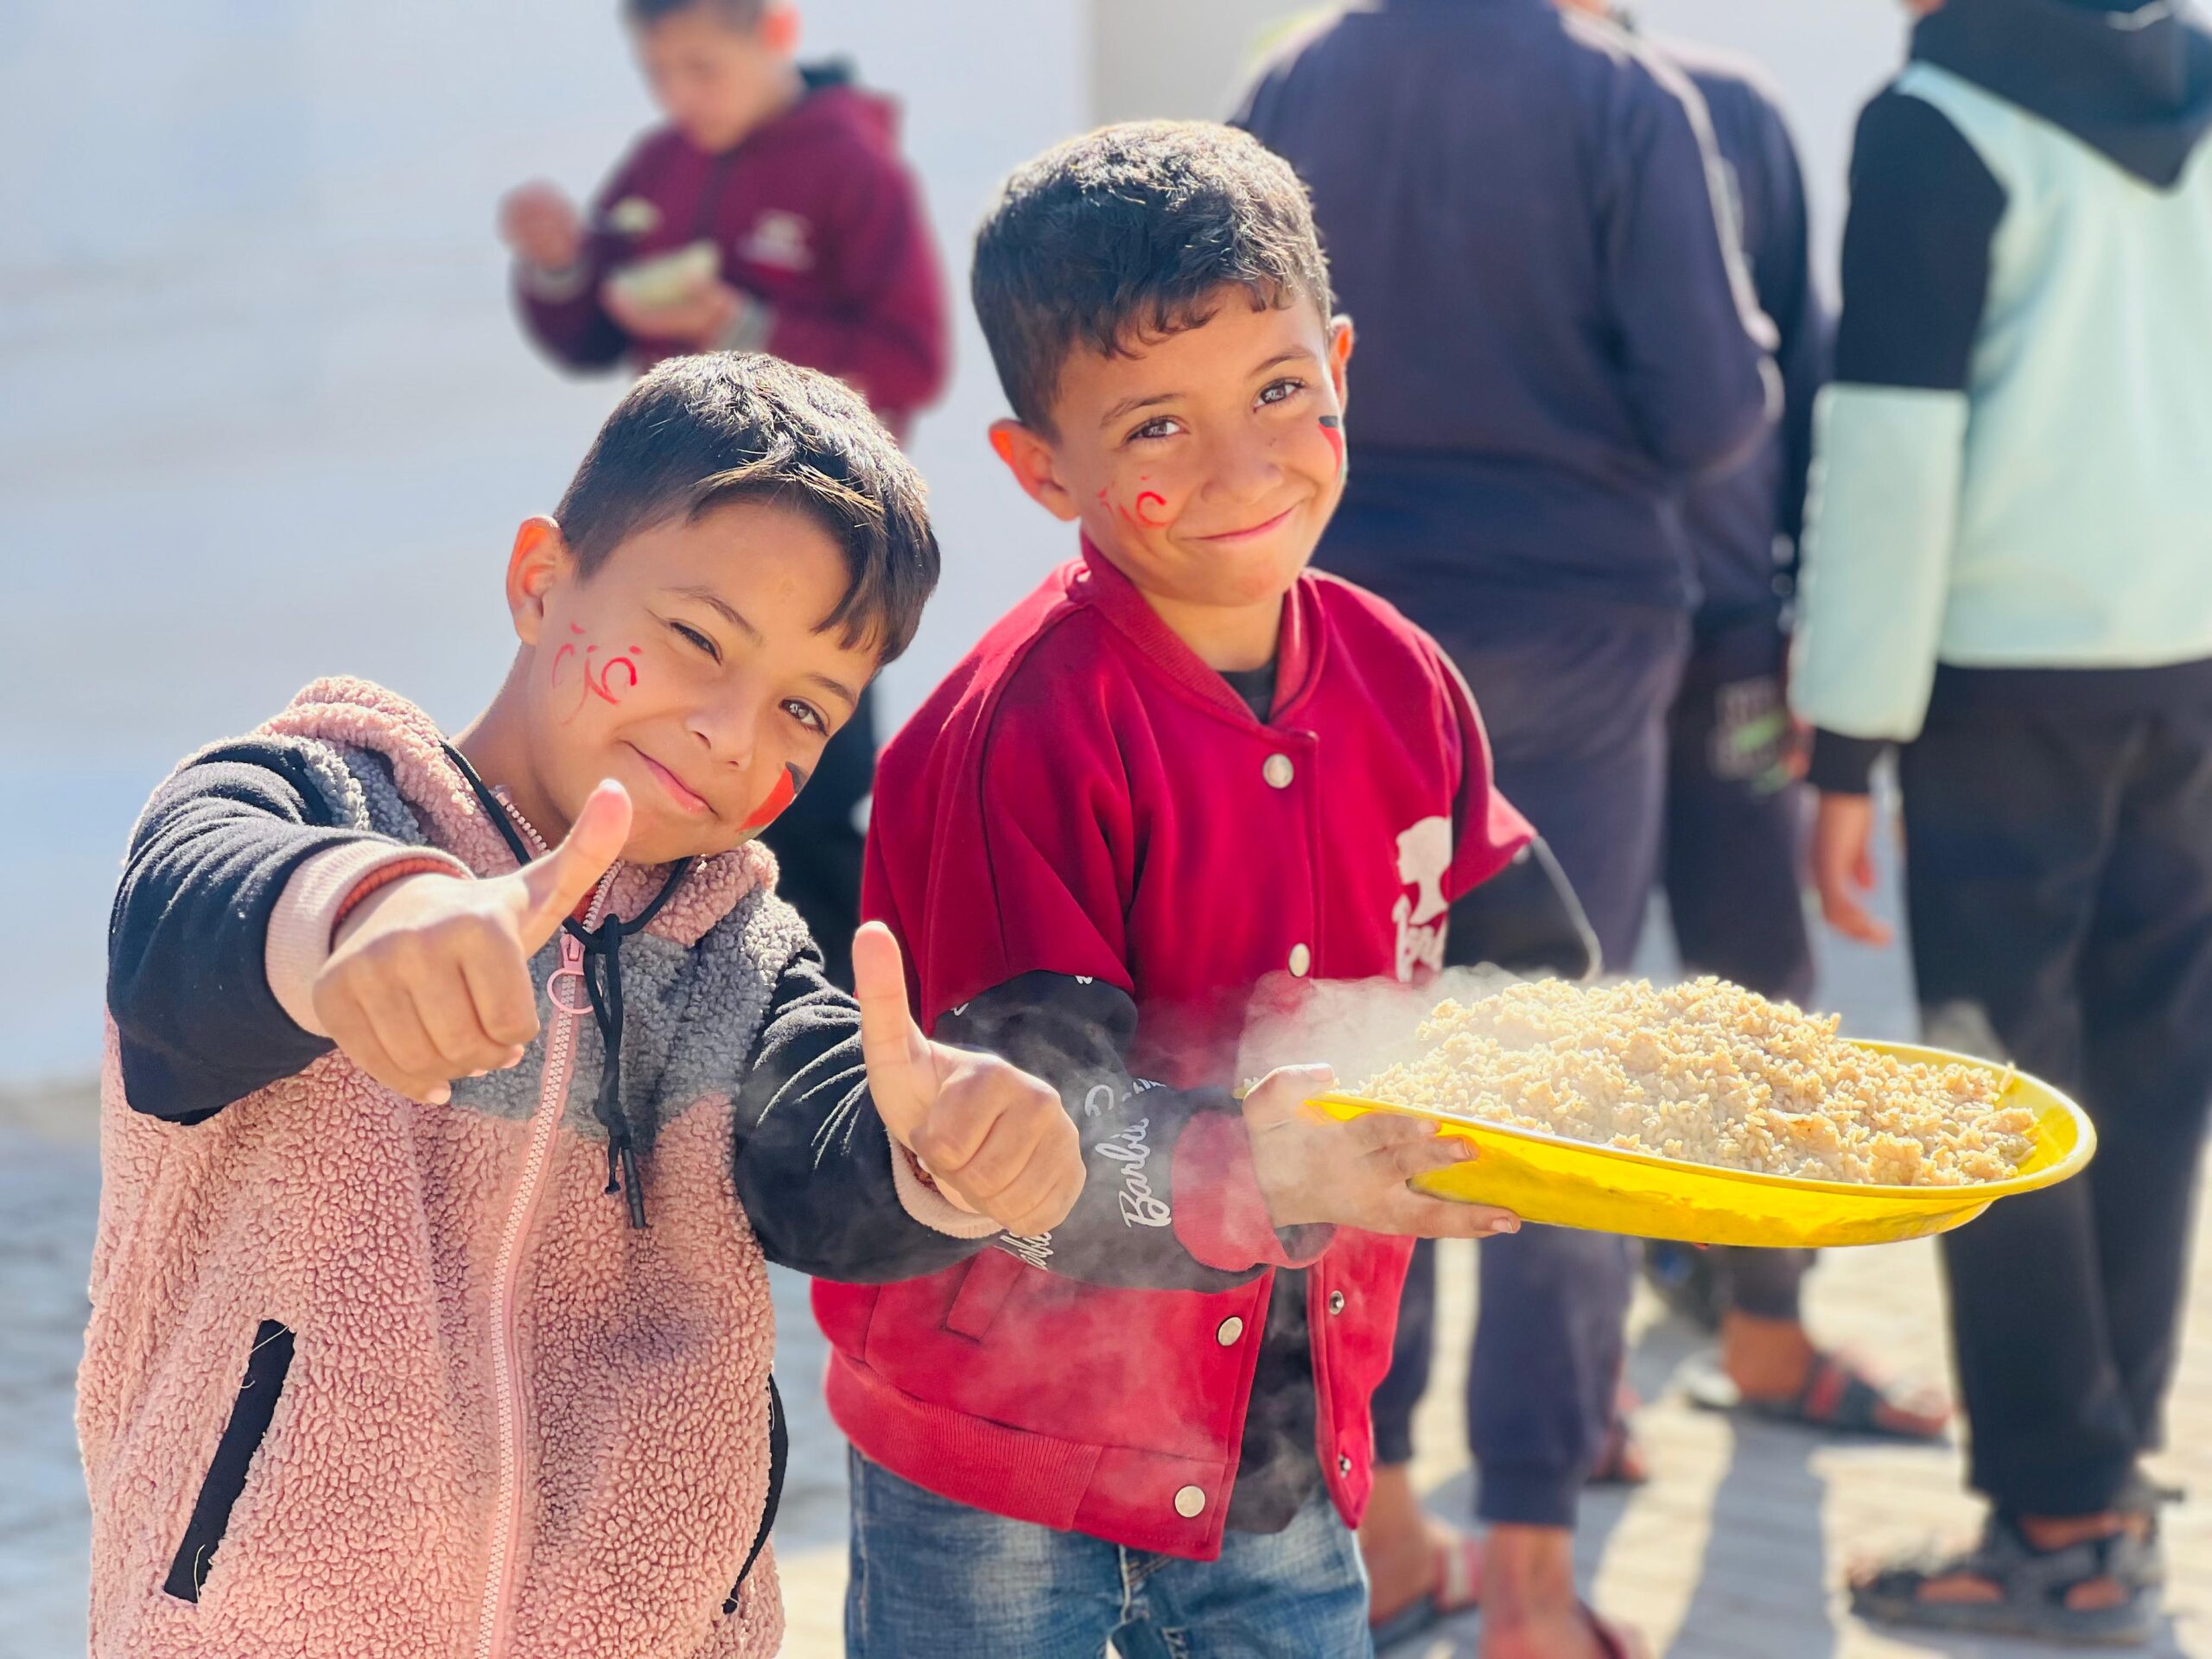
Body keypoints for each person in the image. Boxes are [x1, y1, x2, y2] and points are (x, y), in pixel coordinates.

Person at [82, 355, 1087, 1659]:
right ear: (540, 579)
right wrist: (365, 920)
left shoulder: (737, 955)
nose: (735, 731)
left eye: (801, 709)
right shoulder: (308, 801)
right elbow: (183, 919)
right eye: (697, 641)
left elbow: (821, 1157)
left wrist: (950, 1150)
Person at [816, 121, 1595, 1659]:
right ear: (1039, 469)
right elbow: (1032, 1153)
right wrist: (1282, 1173)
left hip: (1286, 1449)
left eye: (1280, 392)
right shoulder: (1020, 736)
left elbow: (1528, 969)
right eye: (1156, 428)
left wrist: (1642, 1104)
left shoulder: (1401, 679)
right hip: (1010, 1477)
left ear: (1343, 368)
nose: (1244, 465)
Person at [1236, 5, 1775, 1653]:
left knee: (1369, 1059)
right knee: (1564, 1066)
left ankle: (1386, 1523)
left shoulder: (1292, 79)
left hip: (1340, 636)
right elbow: (1711, 410)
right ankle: (1532, 1566)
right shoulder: (1623, 94)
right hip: (1579, 628)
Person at [1791, 0, 2212, 1642]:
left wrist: (1845, 747)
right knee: (2153, 1075)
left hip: (1999, 687)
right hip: (2187, 667)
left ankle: (2059, 1519)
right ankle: (2107, 1465)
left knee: (1999, 1099)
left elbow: (1892, 449)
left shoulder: (1935, 118)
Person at [1606, 14, 1951, 1447]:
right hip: (1564, 646)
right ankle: (1565, 1408)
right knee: (1556, 1001)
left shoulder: (1733, 110)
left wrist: (1813, 606)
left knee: (1757, 988)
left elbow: (1806, 379)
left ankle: (1764, 1329)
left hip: (1733, 635)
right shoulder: (1453, 95)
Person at [499, 0, 953, 988]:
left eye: (703, 68)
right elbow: (587, 328)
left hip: (818, 564)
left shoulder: (851, 165)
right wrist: (558, 264)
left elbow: (911, 362)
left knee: (814, 811)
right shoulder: (664, 163)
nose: (681, 98)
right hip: (676, 534)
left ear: (775, 33)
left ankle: (822, 1027)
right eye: (660, 74)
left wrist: (747, 318)